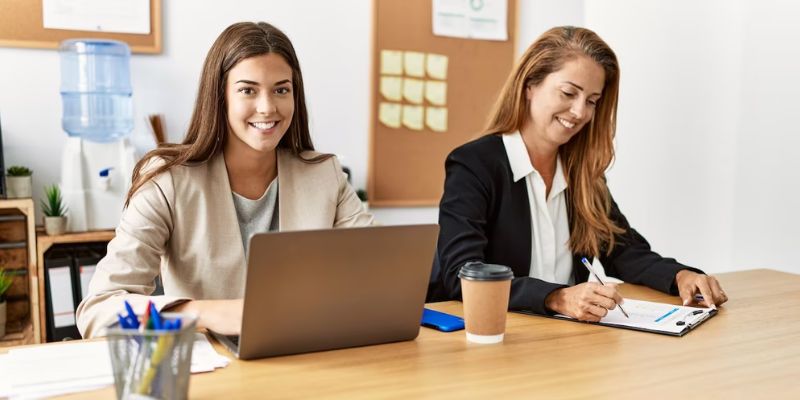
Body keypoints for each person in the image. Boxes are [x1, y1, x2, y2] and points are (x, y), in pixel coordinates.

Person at [76, 22, 373, 338]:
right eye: (248, 90)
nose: (267, 107)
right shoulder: (167, 180)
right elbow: (99, 310)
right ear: (220, 96)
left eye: (281, 89)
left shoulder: (325, 175)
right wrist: (206, 313)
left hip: (307, 360)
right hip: (212, 371)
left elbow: (381, 277)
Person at [435, 26, 727, 321]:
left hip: (567, 339)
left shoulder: (583, 173)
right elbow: (462, 273)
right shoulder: (475, 164)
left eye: (591, 101)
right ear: (530, 85)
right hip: (500, 337)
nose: (579, 112)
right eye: (568, 93)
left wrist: (679, 276)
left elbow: (624, 252)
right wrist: (556, 297)